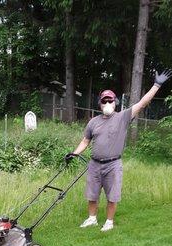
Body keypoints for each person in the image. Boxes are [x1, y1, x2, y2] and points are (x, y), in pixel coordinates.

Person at [66, 70, 172, 231]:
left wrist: (156, 85)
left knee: (112, 195)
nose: (107, 103)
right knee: (92, 194)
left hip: (113, 165)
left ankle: (109, 222)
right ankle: (92, 219)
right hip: (94, 164)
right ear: (100, 103)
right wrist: (74, 153)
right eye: (104, 101)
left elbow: (142, 103)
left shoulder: (123, 117)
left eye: (110, 100)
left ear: (115, 102)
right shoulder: (93, 122)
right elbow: (85, 140)